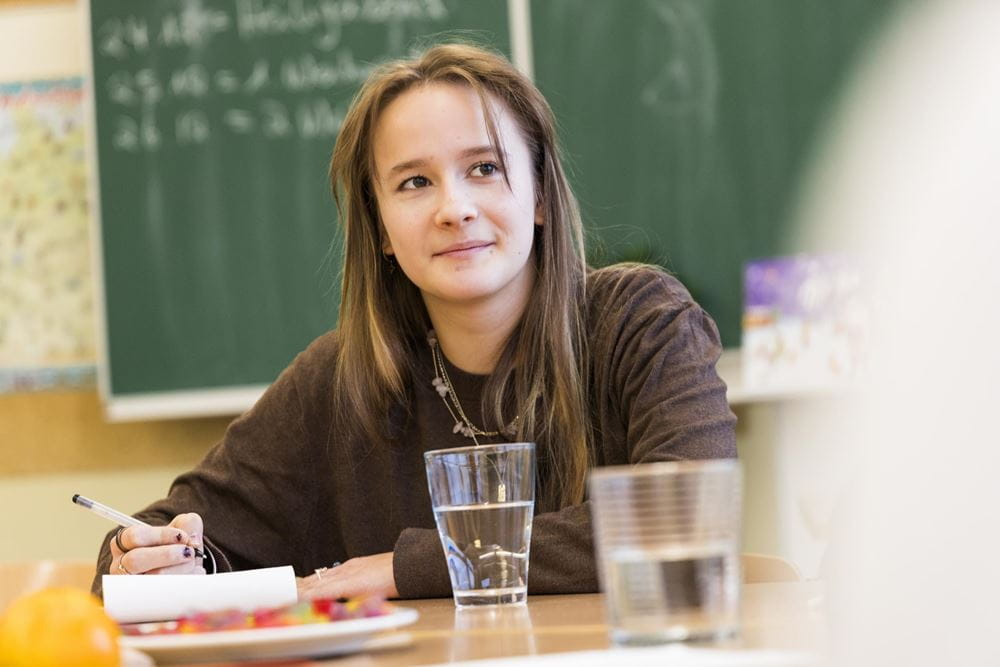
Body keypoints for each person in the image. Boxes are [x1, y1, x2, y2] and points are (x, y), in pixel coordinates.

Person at [93, 43, 736, 600]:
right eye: (413, 183)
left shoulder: (643, 323)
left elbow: (690, 517)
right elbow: (161, 531)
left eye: (484, 169)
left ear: (540, 194)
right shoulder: (341, 380)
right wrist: (152, 559)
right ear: (379, 231)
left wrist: (409, 567)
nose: (455, 209)